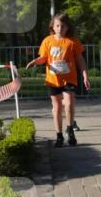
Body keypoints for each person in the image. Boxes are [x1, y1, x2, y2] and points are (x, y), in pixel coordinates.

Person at [26, 13, 91, 148]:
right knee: (56, 108)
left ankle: (70, 130)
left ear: (67, 27)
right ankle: (59, 135)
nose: (60, 28)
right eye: (57, 26)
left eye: (63, 26)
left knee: (69, 102)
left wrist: (85, 75)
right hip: (53, 79)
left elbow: (80, 60)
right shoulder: (47, 41)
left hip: (69, 78)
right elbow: (44, 58)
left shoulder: (72, 41)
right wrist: (34, 62)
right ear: (53, 27)